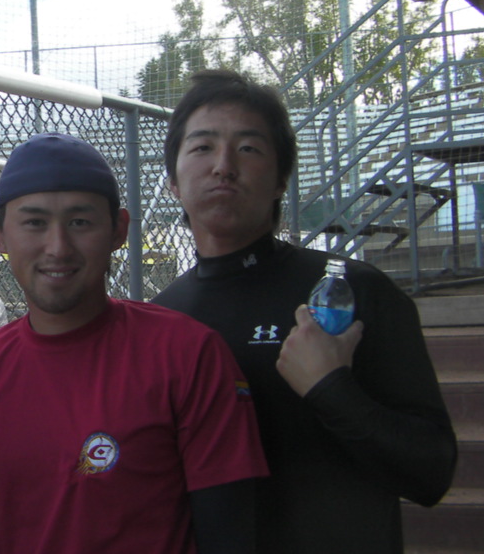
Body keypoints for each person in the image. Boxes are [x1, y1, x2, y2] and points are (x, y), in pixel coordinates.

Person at [151, 69, 457, 554]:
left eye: (248, 148)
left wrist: (331, 388)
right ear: (172, 181)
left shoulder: (352, 293)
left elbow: (431, 473)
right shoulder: (160, 320)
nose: (223, 166)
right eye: (202, 147)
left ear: (280, 180)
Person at [0, 133, 269, 554]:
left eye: (80, 222)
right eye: (34, 222)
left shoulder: (187, 354)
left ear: (118, 229)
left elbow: (229, 533)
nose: (58, 248)